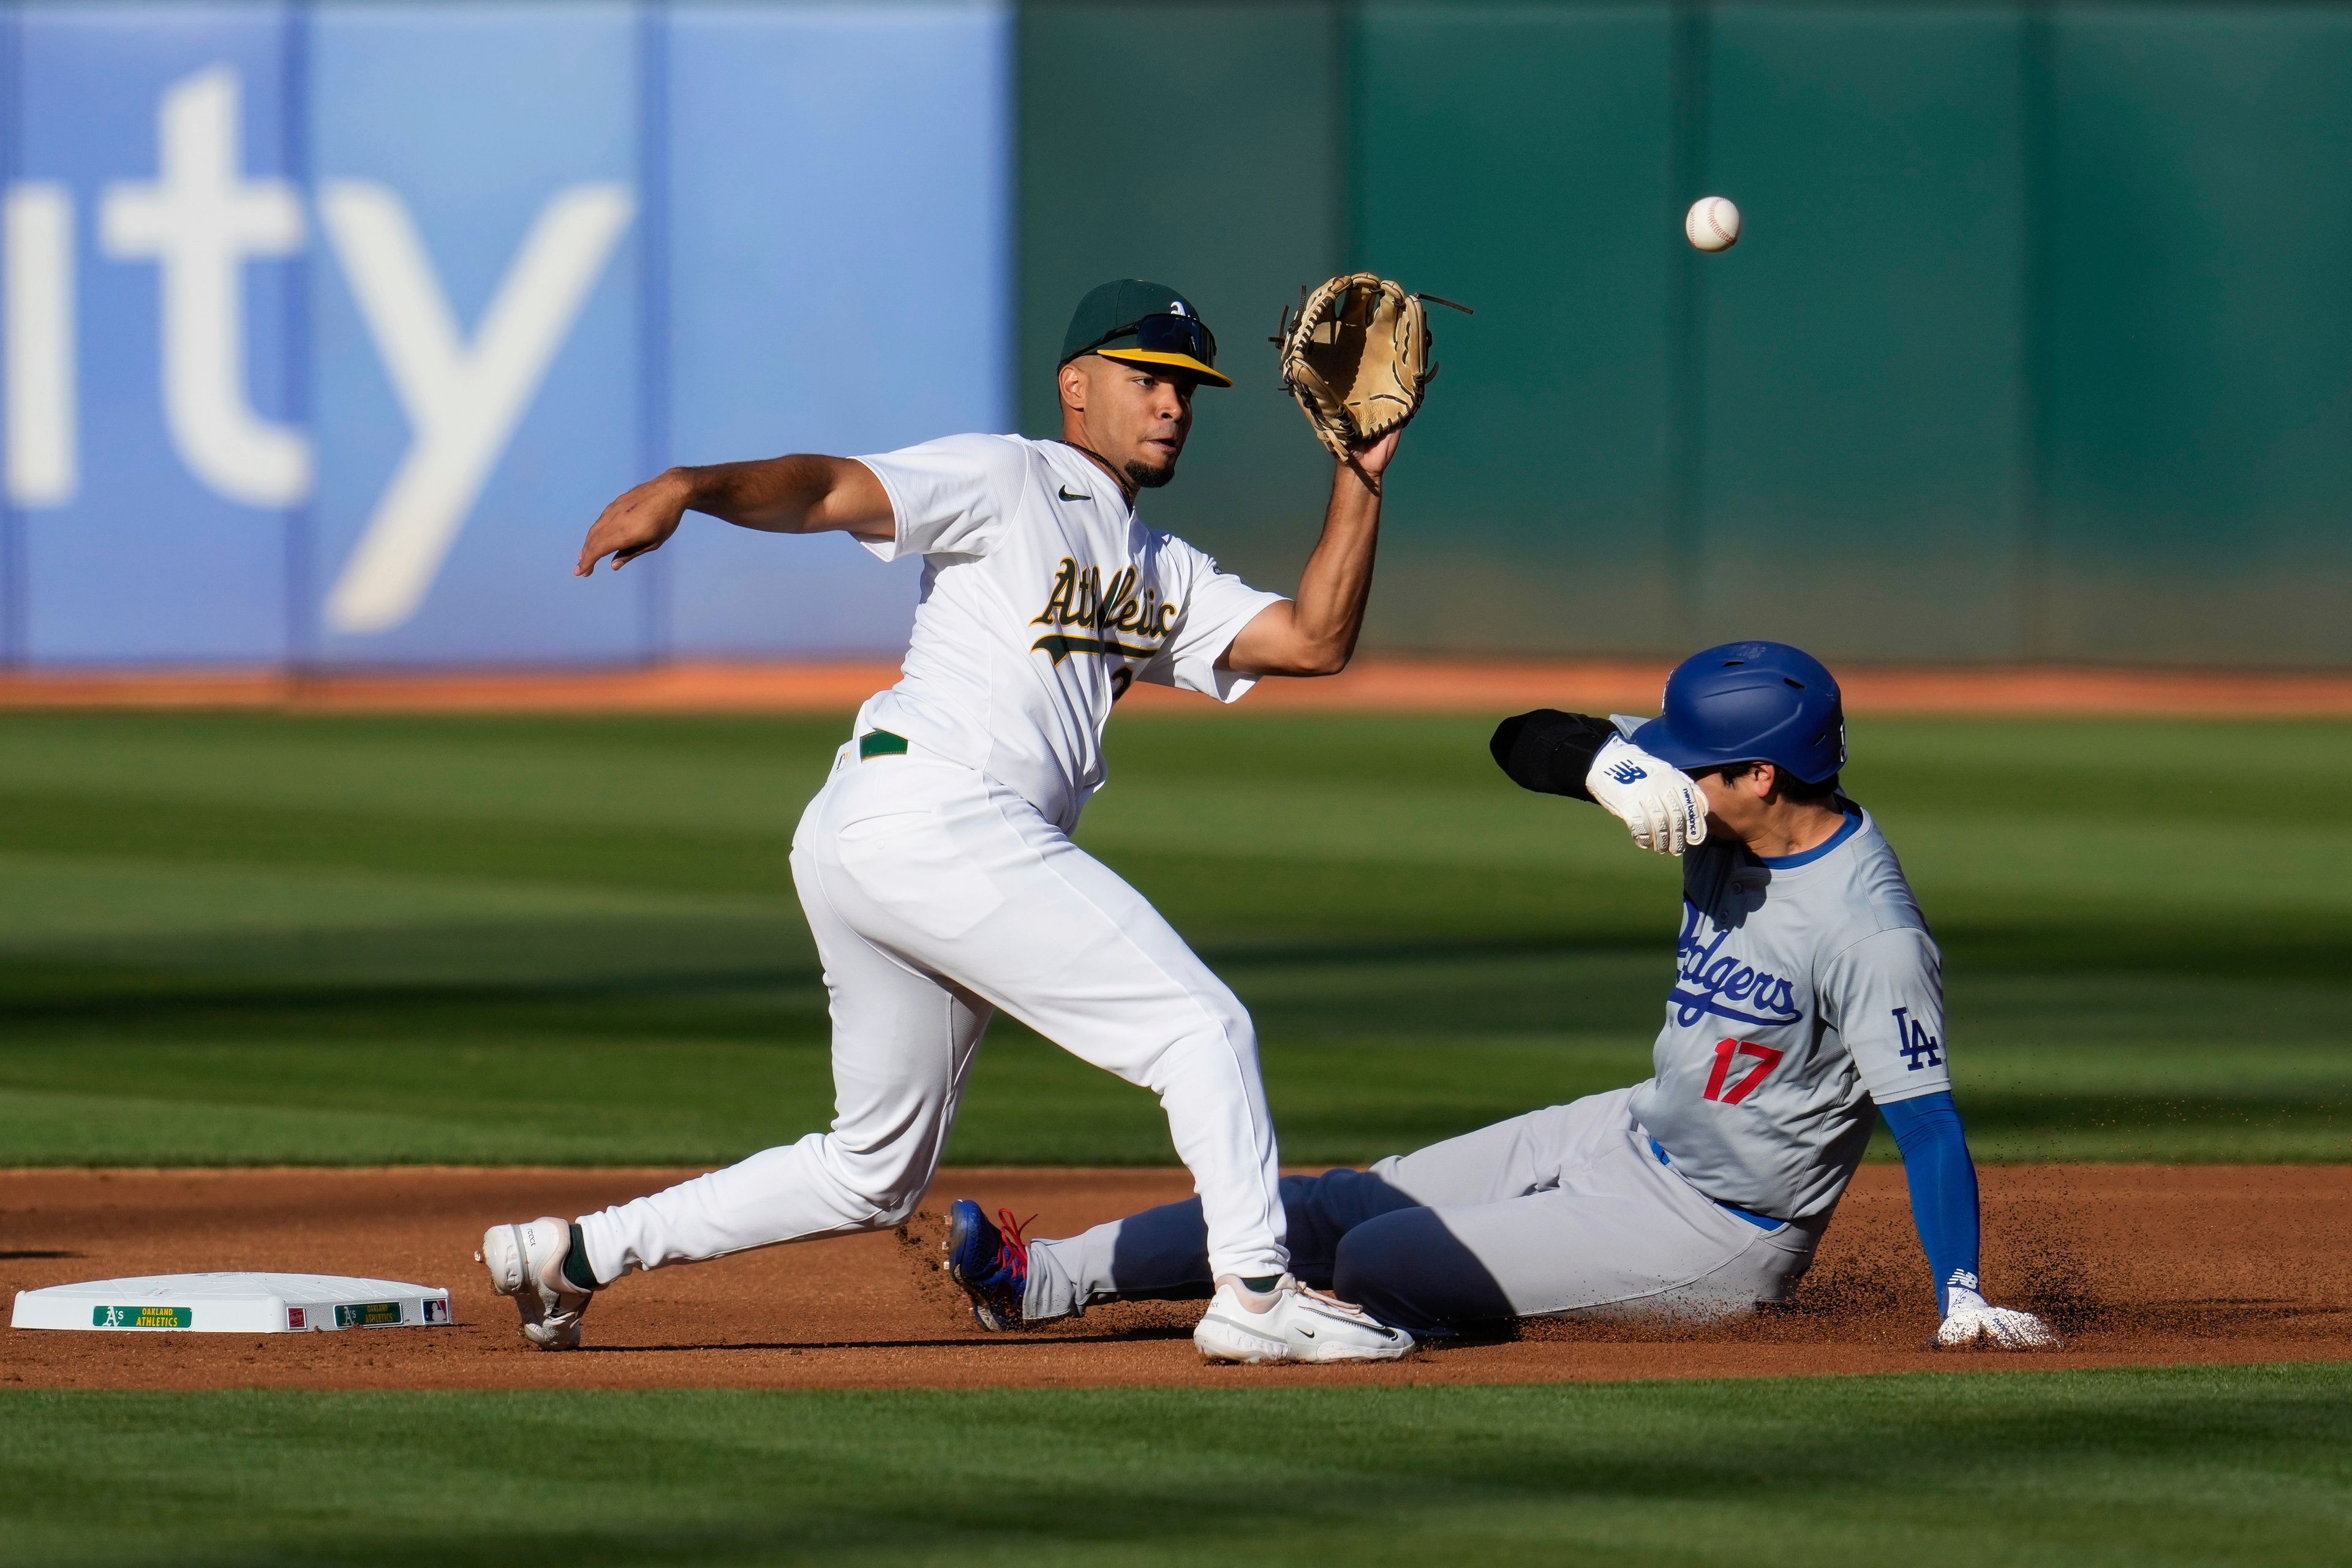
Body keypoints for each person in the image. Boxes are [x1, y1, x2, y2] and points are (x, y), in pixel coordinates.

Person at [476, 279, 1412, 1363]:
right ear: (1077, 385)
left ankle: (573, 1254)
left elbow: (1312, 640)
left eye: (1189, 389)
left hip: (882, 834)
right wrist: (689, 486)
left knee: (870, 1172)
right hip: (939, 812)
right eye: (1148, 379)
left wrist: (1359, 478)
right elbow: (829, 489)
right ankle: (1254, 1294)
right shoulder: (1011, 476)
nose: (1173, 405)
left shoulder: (1160, 566)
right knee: (1200, 1029)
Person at [942, 641, 2057, 1350]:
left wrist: (1960, 1291)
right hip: (1629, 1128)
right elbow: (1520, 739)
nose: (1664, 773)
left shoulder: (1870, 930)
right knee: (1337, 1206)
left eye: (1685, 764)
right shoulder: (1716, 791)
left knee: (1376, 1265)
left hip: (1719, 1231)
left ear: (1760, 778)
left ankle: (1370, 1334)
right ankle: (1042, 1280)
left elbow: (1929, 1123)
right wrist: (1604, 769)